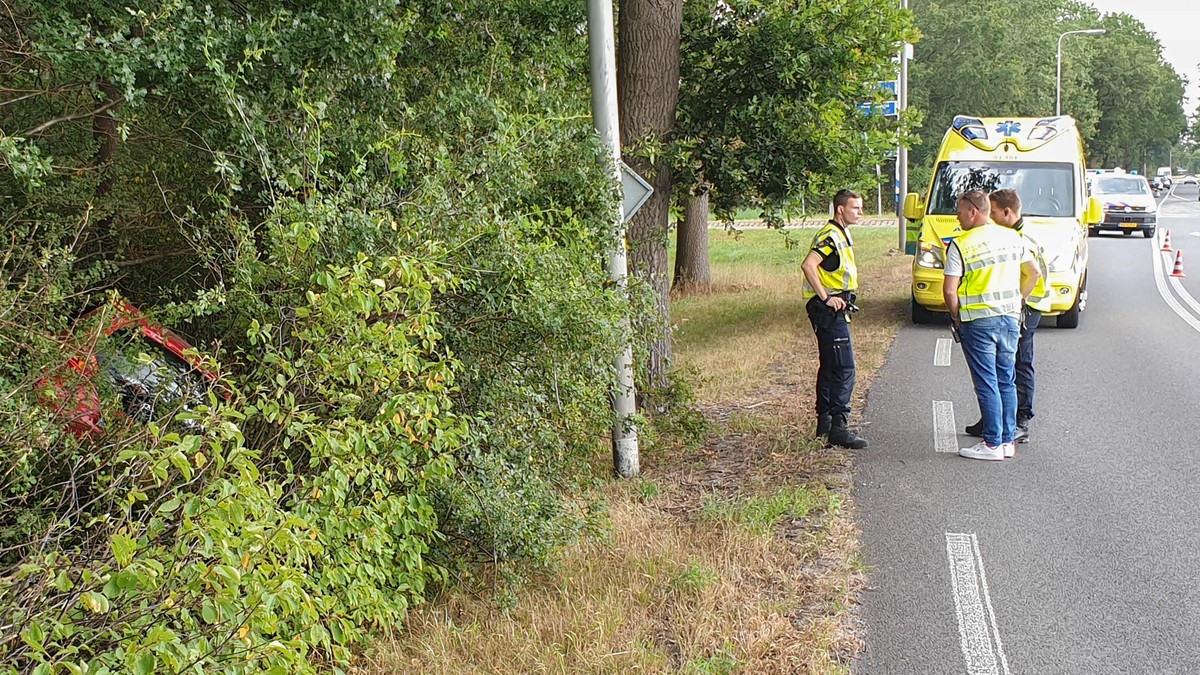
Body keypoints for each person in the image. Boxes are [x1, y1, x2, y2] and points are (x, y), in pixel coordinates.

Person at [943, 190, 1040, 461]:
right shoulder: (1011, 237)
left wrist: (956, 317)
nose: (957, 215)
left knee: (987, 383)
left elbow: (950, 291)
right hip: (1010, 319)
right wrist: (1018, 300)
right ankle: (1007, 441)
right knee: (1006, 380)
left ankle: (991, 444)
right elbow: (1034, 272)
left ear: (973, 212)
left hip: (978, 322)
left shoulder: (960, 244)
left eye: (959, 210)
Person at [964, 189, 1051, 444]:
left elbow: (1033, 275)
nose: (989, 217)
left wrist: (1019, 302)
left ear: (1007, 212)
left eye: (992, 212)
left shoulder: (1021, 238)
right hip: (1013, 307)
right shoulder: (1008, 235)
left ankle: (1020, 421)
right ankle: (994, 419)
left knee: (1018, 364)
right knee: (997, 367)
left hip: (1027, 306)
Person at [801, 189, 869, 450]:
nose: (860, 212)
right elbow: (809, 265)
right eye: (855, 208)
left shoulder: (841, 233)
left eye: (861, 208)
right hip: (828, 309)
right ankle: (839, 427)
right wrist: (827, 297)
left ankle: (825, 424)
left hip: (835, 309)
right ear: (840, 209)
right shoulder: (830, 235)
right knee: (844, 368)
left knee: (831, 366)